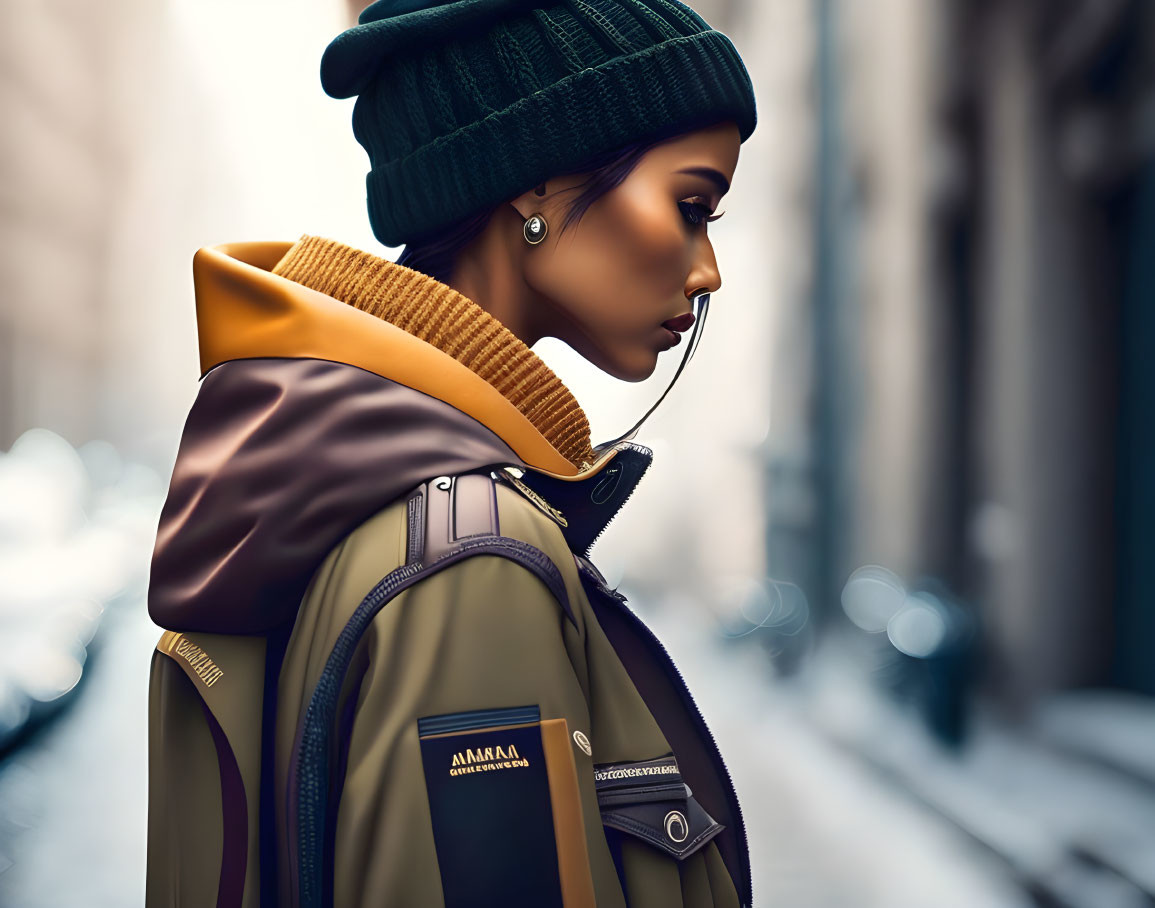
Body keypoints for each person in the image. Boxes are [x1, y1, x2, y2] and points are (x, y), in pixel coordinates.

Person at [144, 1, 757, 906]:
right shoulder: (475, 563)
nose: (707, 271)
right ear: (536, 182)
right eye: (692, 205)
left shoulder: (362, 491)